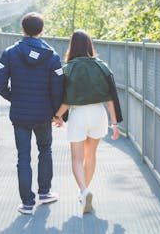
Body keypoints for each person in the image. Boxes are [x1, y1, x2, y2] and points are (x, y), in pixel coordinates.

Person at [0, 12, 64, 215]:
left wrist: (13, 98)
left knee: (23, 156)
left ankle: (26, 203)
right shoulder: (52, 56)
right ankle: (45, 192)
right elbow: (58, 87)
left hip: (20, 114)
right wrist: (55, 112)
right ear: (42, 31)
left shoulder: (9, 53)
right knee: (45, 151)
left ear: (22, 30)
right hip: (43, 114)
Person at [52, 30, 122, 214]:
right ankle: (84, 192)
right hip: (99, 114)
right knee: (91, 155)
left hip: (78, 115)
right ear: (90, 45)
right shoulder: (102, 66)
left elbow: (66, 100)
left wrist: (57, 116)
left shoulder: (68, 68)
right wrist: (115, 124)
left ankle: (84, 191)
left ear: (72, 45)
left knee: (77, 157)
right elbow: (110, 99)